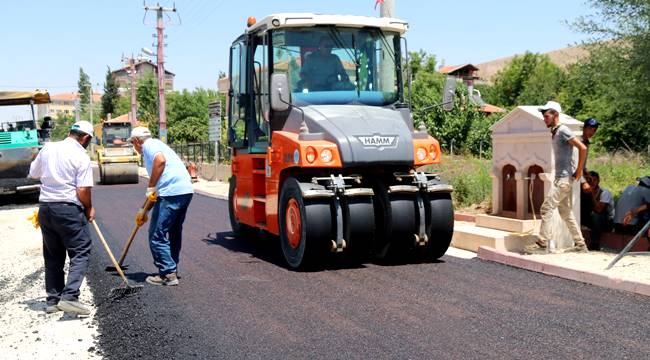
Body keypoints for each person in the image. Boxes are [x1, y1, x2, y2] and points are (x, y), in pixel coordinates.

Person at [28, 120, 95, 315]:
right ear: (85, 138)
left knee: (53, 254)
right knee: (81, 250)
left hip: (46, 209)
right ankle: (70, 297)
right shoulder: (81, 156)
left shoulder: (48, 148)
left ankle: (53, 300)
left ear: (71, 132)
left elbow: (33, 173)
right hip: (68, 209)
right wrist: (89, 207)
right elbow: (82, 189)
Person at [127, 126, 193, 286]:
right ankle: (172, 267)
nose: (134, 148)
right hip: (185, 191)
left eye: (132, 144)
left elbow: (160, 162)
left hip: (171, 193)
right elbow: (157, 190)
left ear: (137, 141)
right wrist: (144, 210)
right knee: (174, 231)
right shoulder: (159, 144)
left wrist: (150, 186)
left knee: (157, 235)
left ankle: (167, 274)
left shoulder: (148, 145)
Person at [525, 101, 589, 253]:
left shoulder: (563, 130)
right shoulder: (555, 132)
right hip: (561, 178)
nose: (544, 119)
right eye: (543, 116)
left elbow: (583, 148)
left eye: (546, 116)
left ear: (555, 115)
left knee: (546, 208)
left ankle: (542, 244)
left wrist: (579, 171)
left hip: (564, 179)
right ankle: (581, 244)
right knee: (565, 212)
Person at [582, 171, 614, 250]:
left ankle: (595, 243)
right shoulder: (585, 192)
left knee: (596, 215)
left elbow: (598, 210)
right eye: (589, 180)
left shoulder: (605, 193)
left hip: (607, 221)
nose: (592, 182)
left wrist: (592, 193)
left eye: (594, 180)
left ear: (598, 181)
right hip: (593, 219)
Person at [580, 118, 600, 220]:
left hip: (581, 174)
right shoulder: (578, 141)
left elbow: (582, 164)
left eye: (594, 130)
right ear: (584, 128)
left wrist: (587, 174)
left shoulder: (586, 142)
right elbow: (575, 163)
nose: (592, 132)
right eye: (590, 128)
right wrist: (583, 182)